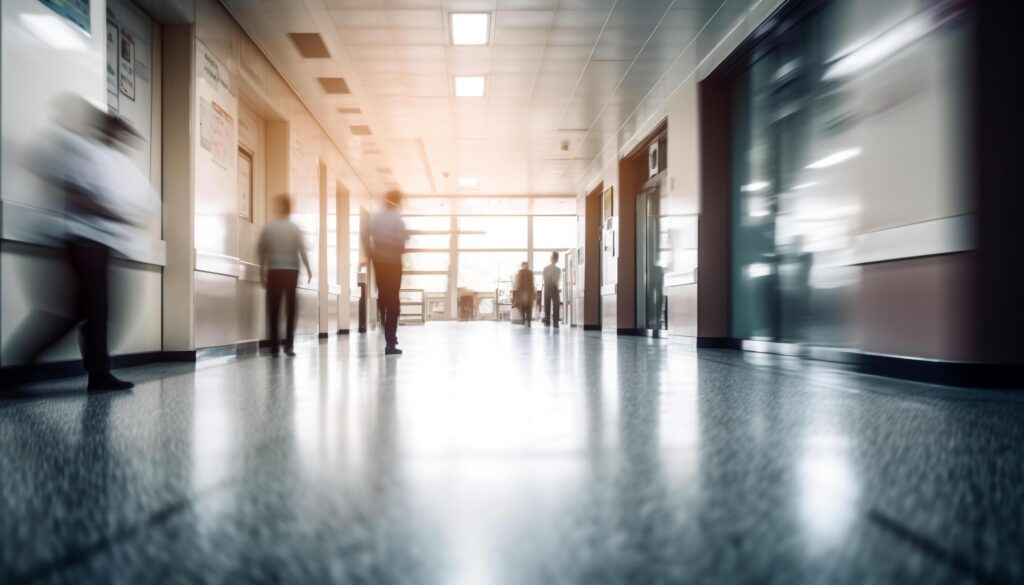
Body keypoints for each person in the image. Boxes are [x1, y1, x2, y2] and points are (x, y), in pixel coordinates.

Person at [4, 98, 158, 391]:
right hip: (85, 244)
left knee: (86, 313)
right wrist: (120, 216)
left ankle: (29, 367)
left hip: (94, 244)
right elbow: (77, 195)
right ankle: (26, 367)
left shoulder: (103, 157)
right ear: (108, 131)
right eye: (120, 135)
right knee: (94, 313)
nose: (123, 142)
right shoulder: (83, 151)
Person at [258, 194, 311, 357]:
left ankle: (274, 347)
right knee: (291, 308)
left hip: (274, 270)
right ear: (289, 209)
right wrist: (308, 269)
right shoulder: (295, 228)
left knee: (273, 308)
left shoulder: (269, 227)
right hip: (291, 272)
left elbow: (261, 250)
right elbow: (302, 250)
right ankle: (289, 345)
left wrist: (262, 270)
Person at [368, 190, 408, 355]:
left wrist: (372, 254)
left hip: (378, 263)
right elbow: (402, 242)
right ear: (397, 201)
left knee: (384, 296)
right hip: (393, 263)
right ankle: (390, 342)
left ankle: (386, 328)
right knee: (394, 303)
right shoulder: (397, 219)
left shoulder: (375, 218)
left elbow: (365, 236)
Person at [542, 251, 562, 327]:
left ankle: (548, 320)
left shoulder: (546, 268)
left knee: (548, 305)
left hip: (548, 287)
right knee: (555, 305)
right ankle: (555, 321)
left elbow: (545, 279)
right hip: (554, 288)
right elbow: (556, 280)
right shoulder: (558, 270)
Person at [514, 262, 535, 327]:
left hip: (522, 293)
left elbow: (518, 283)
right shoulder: (530, 273)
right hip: (528, 293)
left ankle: (524, 320)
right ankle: (528, 321)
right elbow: (532, 283)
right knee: (529, 308)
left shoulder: (520, 272)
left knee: (523, 308)